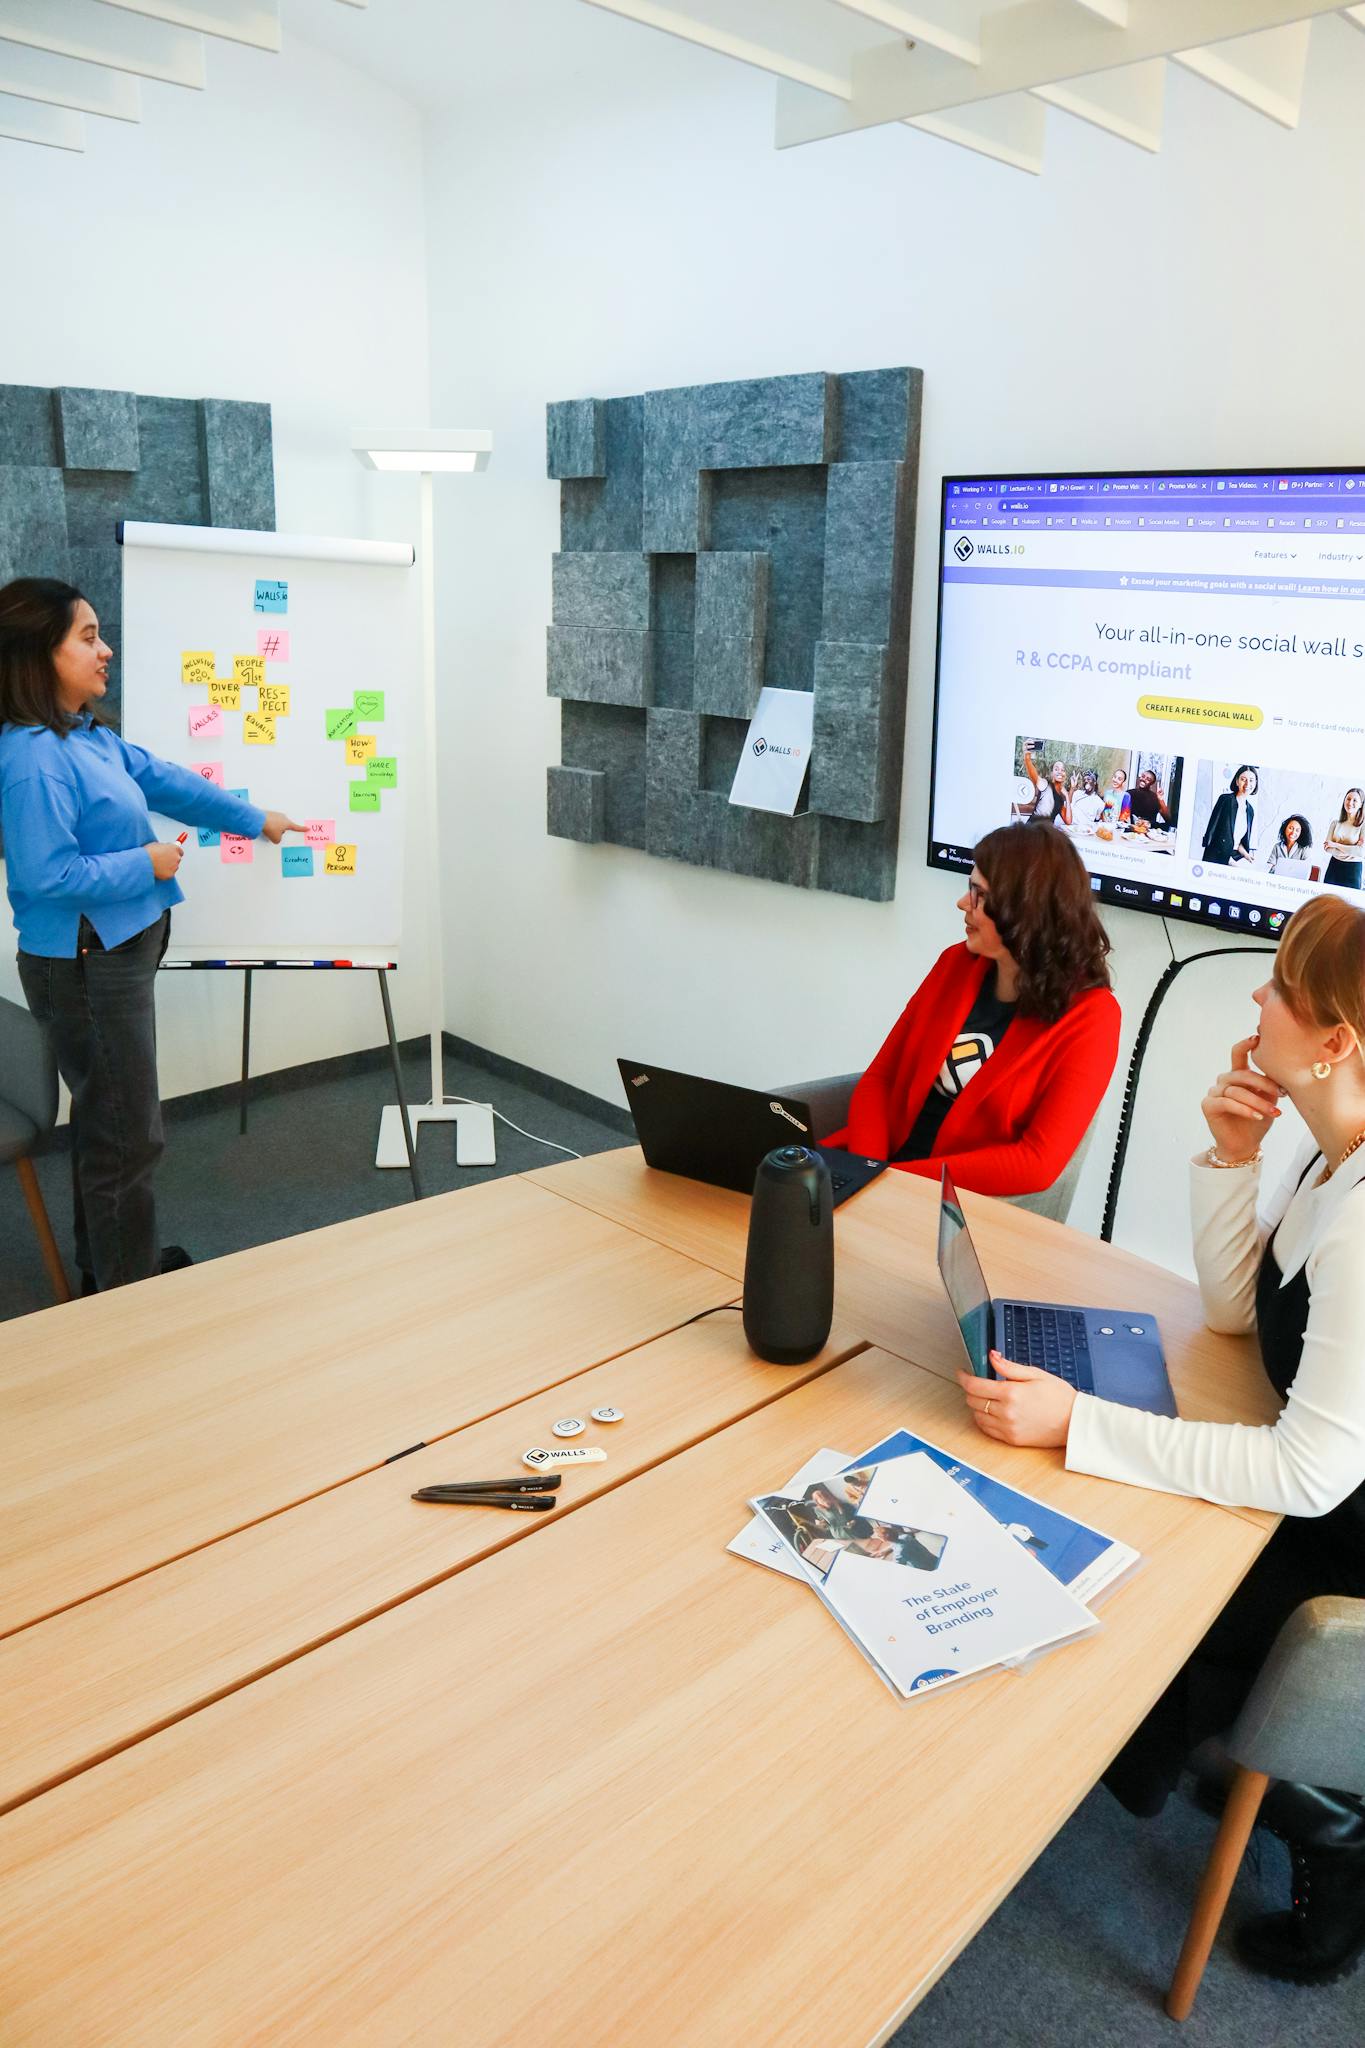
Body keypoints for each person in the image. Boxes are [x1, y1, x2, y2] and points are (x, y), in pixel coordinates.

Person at [954, 892, 1365, 1985]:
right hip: (1318, 1476)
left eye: (1279, 985)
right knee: (1119, 1500)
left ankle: (1337, 1823)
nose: (1255, 995)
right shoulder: (1334, 1154)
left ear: (1337, 1041)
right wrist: (1232, 1153)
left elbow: (1311, 1472)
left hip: (1346, 1536)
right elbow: (1240, 1312)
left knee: (1144, 1572)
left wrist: (1081, 1420)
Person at [0, 577, 303, 1293]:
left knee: (109, 1122)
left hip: (108, 957)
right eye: (87, 636)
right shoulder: (33, 760)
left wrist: (253, 817)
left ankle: (108, 1269)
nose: (105, 650)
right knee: (129, 1134)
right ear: (39, 654)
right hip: (83, 963)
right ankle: (128, 1299)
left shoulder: (82, 735)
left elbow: (164, 781)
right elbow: (47, 876)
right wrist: (146, 863)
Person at [824, 825, 1119, 1199]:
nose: (963, 903)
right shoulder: (955, 964)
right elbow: (881, 1078)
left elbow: (1037, 1162)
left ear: (1022, 911)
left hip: (955, 1205)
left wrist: (896, 1183)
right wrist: (866, 1173)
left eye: (979, 895)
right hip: (878, 1172)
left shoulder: (1092, 1017)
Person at [1201, 764, 1258, 865]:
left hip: (1234, 856)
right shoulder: (1225, 800)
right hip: (1216, 856)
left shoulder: (1250, 810)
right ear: (1237, 781)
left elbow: (1237, 841)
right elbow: (1213, 832)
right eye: (1243, 779)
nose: (1247, 783)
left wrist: (1246, 855)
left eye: (1251, 780)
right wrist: (1228, 859)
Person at [1321, 787, 1364, 890]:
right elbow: (1327, 848)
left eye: (1355, 800)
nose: (1350, 803)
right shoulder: (1335, 823)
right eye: (1348, 799)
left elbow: (1361, 852)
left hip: (1353, 869)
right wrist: (1352, 849)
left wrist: (1335, 845)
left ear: (1361, 804)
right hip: (1334, 866)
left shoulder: (1363, 825)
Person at [1020, 742, 1071, 826]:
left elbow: (1068, 821)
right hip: (1033, 830)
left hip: (1047, 832)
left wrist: (1067, 797)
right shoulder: (1045, 785)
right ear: (1052, 773)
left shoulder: (1060, 799)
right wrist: (1027, 757)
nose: (1060, 772)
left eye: (1063, 770)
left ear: (1065, 774)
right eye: (1056, 769)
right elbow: (1034, 775)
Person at [1068, 770, 1105, 834]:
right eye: (1084, 779)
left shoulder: (1100, 803)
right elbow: (1068, 804)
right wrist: (1072, 787)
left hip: (1085, 833)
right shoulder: (1077, 793)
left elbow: (1097, 819)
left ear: (1095, 782)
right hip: (1071, 829)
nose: (1086, 781)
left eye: (1089, 779)